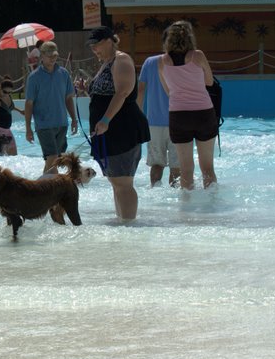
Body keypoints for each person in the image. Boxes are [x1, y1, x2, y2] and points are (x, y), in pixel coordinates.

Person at [87, 26, 150, 221]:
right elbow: (105, 92)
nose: (93, 49)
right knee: (116, 181)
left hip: (122, 128)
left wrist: (105, 119)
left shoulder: (121, 59)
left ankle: (129, 225)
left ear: (108, 40)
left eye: (96, 44)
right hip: (109, 130)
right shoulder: (106, 62)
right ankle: (122, 221)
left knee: (123, 182)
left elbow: (123, 91)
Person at [158, 20, 217, 190]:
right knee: (207, 168)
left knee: (185, 169)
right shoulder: (198, 56)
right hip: (203, 113)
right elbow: (209, 81)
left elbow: (168, 90)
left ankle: (186, 209)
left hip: (179, 114)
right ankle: (212, 205)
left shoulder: (162, 61)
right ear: (190, 37)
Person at [25, 41, 78, 174]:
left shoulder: (64, 74)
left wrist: (74, 119)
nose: (52, 58)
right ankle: (48, 189)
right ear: (41, 56)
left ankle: (45, 189)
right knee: (53, 158)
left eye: (54, 55)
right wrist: (28, 128)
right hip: (44, 125)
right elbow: (29, 103)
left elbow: (68, 98)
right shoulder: (34, 77)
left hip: (61, 123)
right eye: (49, 56)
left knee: (55, 160)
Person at [137, 30, 180, 187]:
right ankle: (177, 203)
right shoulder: (184, 62)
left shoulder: (150, 62)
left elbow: (141, 90)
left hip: (154, 123)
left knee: (156, 164)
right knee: (177, 167)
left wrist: (138, 117)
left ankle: (156, 197)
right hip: (178, 121)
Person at [0, 76, 24, 155]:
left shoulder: (7, 95)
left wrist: (20, 111)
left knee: (13, 154)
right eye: (5, 92)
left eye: (9, 92)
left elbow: (9, 107)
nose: (7, 94)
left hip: (6, 130)